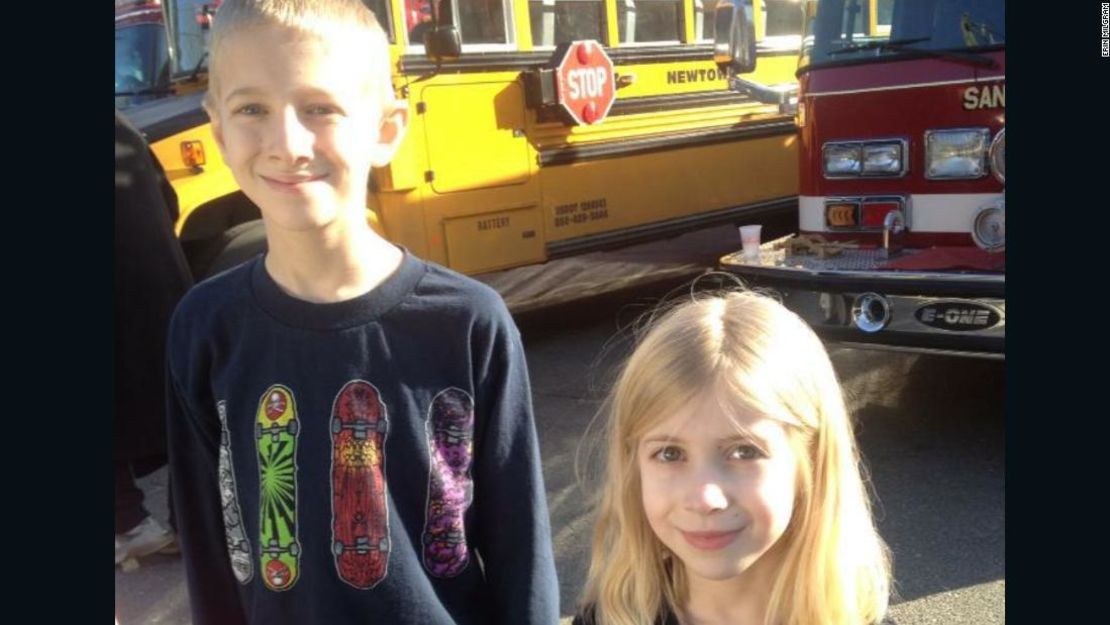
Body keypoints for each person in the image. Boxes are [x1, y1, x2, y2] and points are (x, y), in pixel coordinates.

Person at [165, 1, 558, 624]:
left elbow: (522, 555)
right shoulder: (205, 327)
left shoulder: (468, 323)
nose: (287, 144)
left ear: (385, 130)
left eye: (319, 108)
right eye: (251, 109)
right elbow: (209, 544)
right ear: (218, 131)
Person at [573, 291, 892, 625]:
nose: (704, 499)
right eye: (669, 453)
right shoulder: (609, 619)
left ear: (811, 459)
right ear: (633, 466)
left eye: (744, 451)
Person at [115, 109, 194, 566]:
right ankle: (188, 523)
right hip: (162, 286)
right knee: (175, 410)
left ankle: (130, 525)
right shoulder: (120, 123)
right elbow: (170, 202)